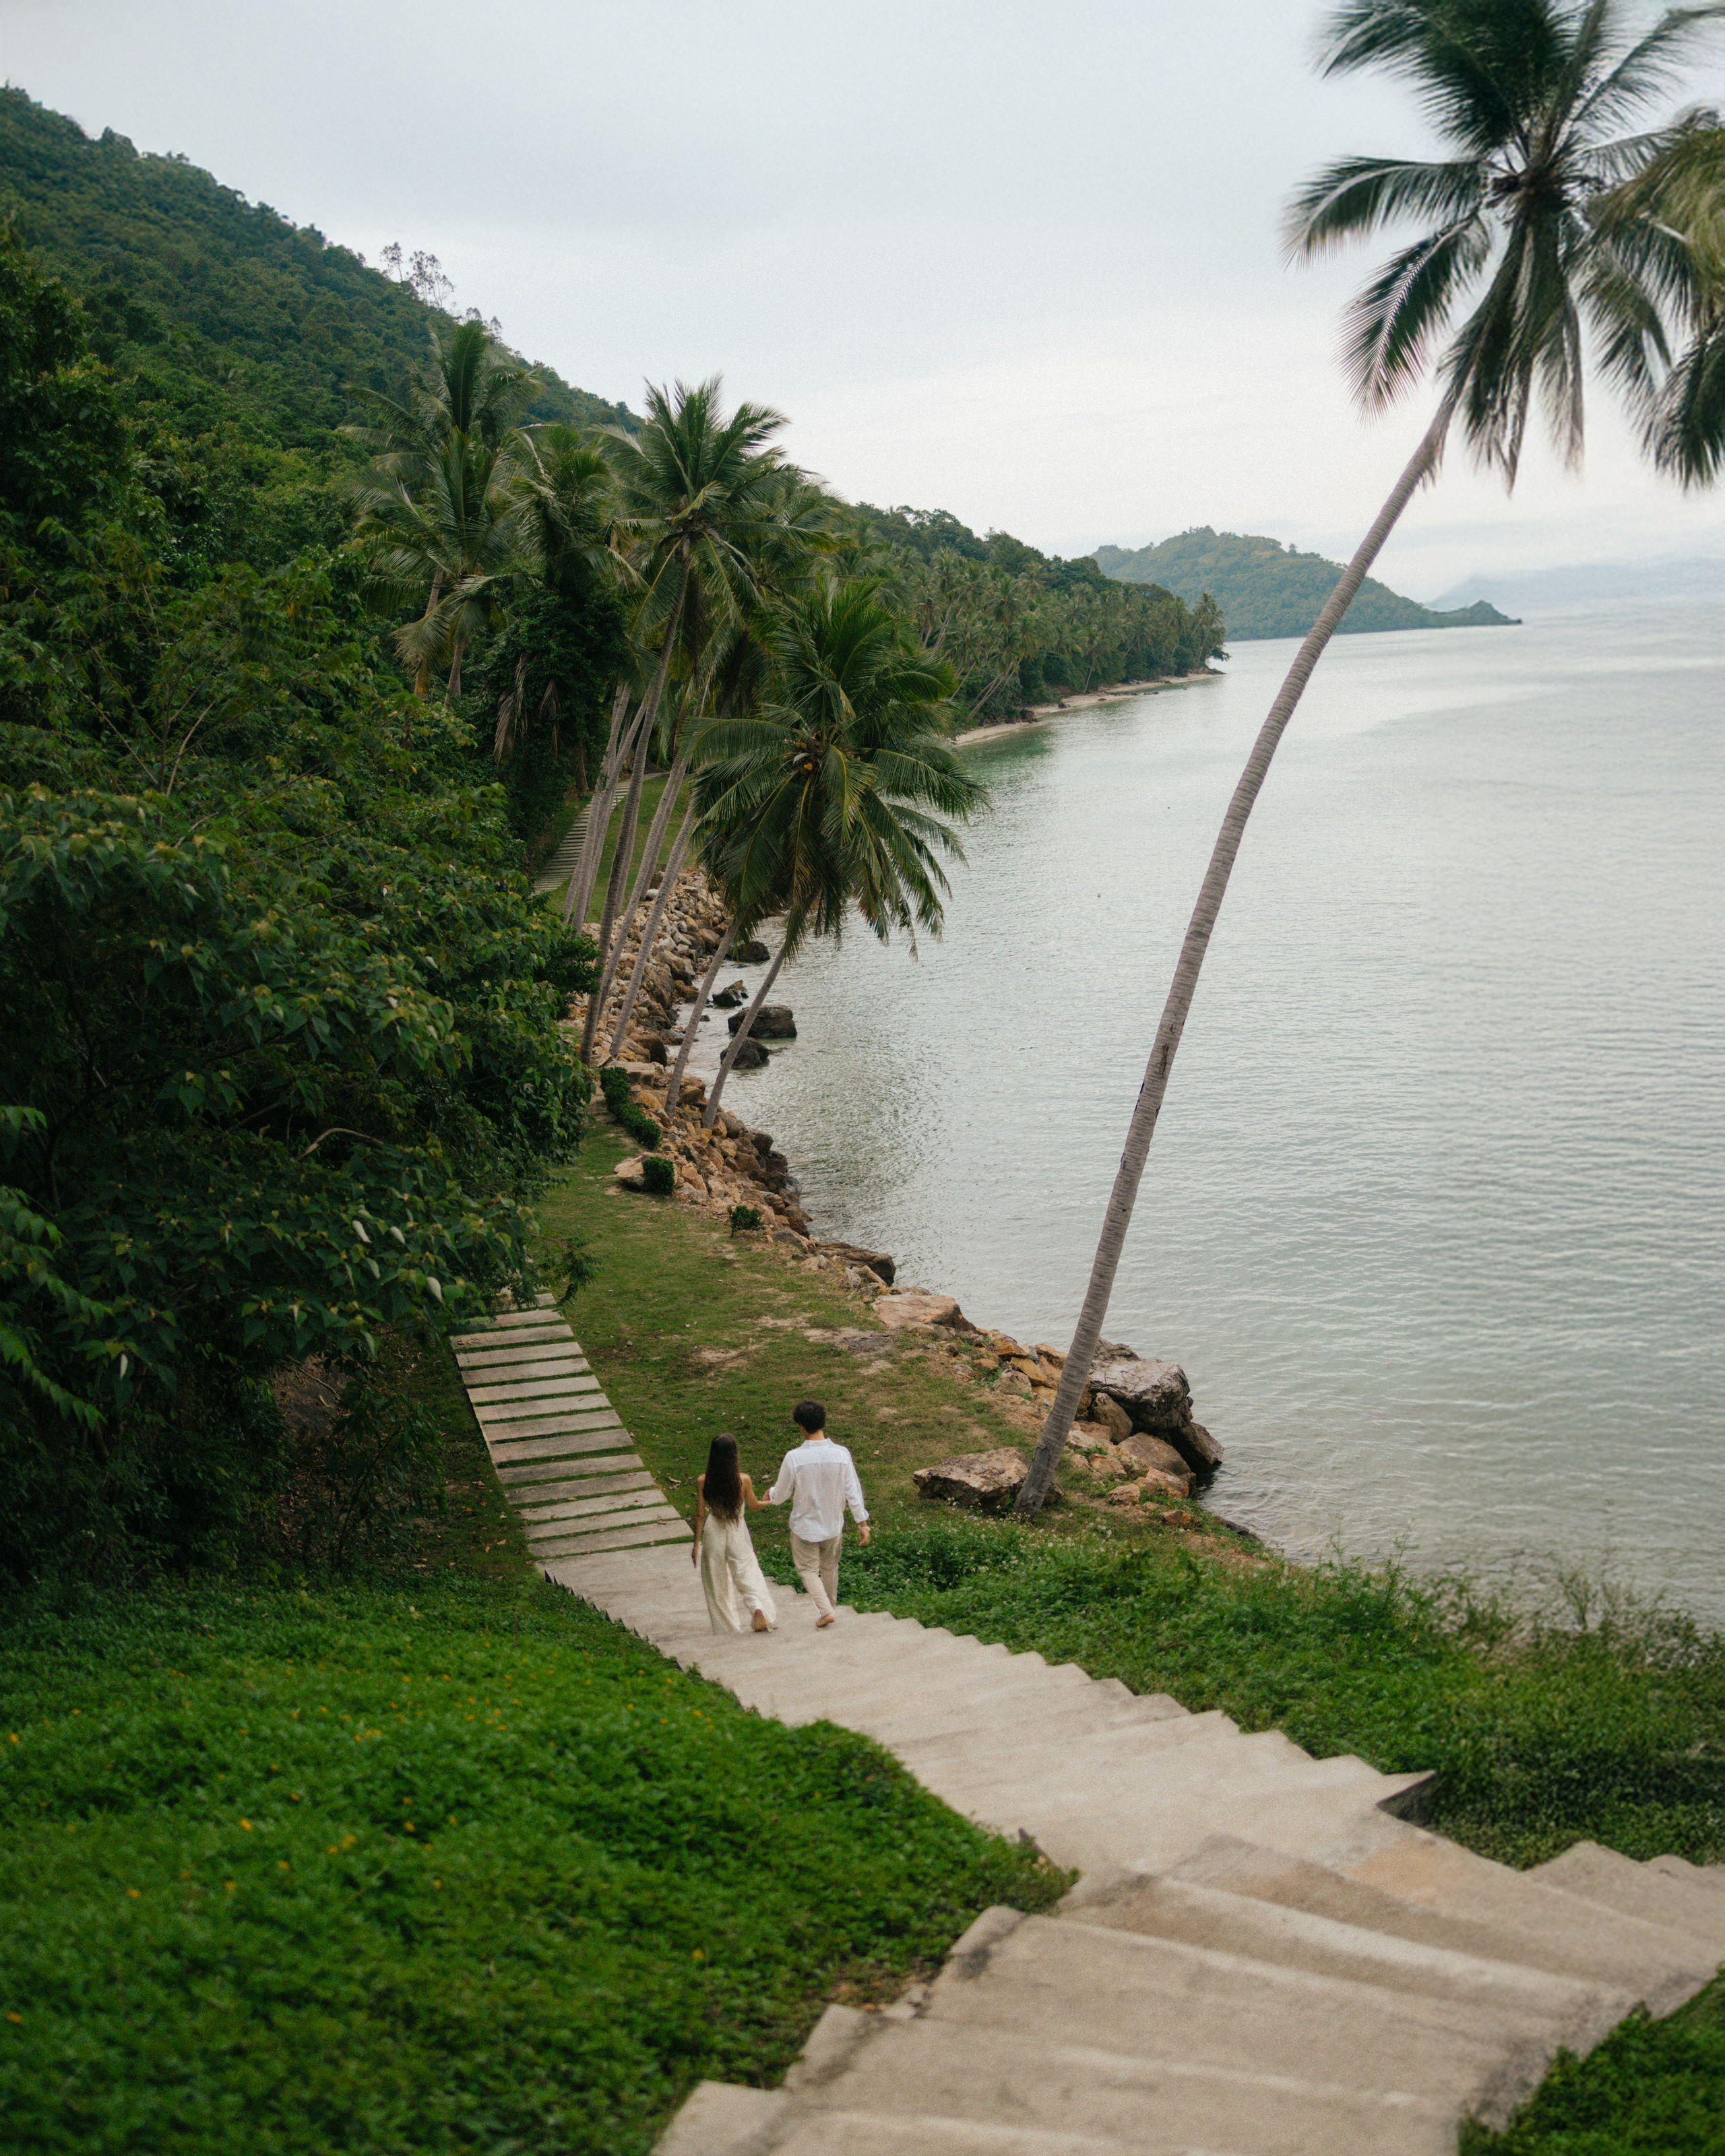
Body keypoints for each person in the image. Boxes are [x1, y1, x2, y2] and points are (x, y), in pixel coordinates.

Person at [767, 1399, 869, 1629]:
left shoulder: (794, 1458)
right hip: (833, 1524)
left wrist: (771, 1494)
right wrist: (862, 1523)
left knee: (807, 1570)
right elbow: (853, 1490)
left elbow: (781, 1495)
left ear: (802, 1427)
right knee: (830, 1568)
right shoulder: (842, 1454)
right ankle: (830, 1607)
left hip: (805, 1526)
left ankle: (825, 1611)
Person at [692, 1434, 778, 1635]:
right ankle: (757, 1607)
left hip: (714, 1530)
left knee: (716, 1580)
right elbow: (755, 1506)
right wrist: (772, 1500)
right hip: (737, 1530)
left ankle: (727, 1626)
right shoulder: (743, 1480)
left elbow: (700, 1515)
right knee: (747, 1572)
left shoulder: (703, 1481)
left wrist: (696, 1544)